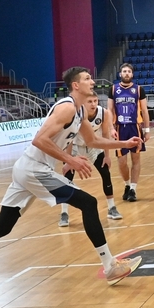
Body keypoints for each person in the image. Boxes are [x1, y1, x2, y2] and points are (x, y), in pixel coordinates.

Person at [0, 67, 143, 292]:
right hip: (35, 170)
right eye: (87, 78)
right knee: (88, 203)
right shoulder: (67, 107)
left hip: (28, 169)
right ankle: (110, 266)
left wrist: (124, 144)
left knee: (0, 227)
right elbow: (39, 140)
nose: (92, 81)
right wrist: (70, 159)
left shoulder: (79, 111)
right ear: (76, 85)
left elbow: (93, 141)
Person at [63, 92, 119, 224]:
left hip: (93, 146)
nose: (93, 104)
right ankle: (64, 213)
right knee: (67, 177)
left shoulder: (103, 113)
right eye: (90, 101)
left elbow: (105, 134)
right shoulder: (76, 113)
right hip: (75, 145)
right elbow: (69, 138)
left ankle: (112, 208)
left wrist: (107, 156)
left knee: (105, 172)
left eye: (95, 101)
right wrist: (68, 160)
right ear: (83, 103)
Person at [112, 62, 149, 202]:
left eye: (129, 71)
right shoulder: (113, 89)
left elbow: (144, 110)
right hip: (120, 128)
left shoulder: (139, 89)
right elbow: (109, 110)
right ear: (120, 74)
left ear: (132, 74)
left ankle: (133, 189)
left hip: (135, 127)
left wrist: (147, 130)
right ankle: (127, 184)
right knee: (122, 161)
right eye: (124, 71)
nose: (126, 73)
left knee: (136, 159)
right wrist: (110, 128)